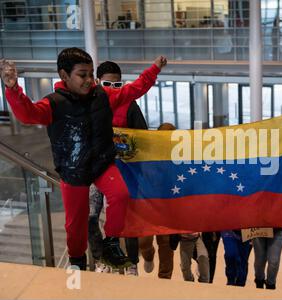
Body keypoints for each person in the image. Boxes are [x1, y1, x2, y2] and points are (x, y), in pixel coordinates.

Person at [0, 48, 167, 270]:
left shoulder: (102, 96)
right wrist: (12, 88)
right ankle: (77, 261)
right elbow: (27, 114)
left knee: (120, 194)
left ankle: (111, 243)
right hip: (73, 171)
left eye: (91, 74)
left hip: (102, 164)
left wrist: (154, 69)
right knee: (75, 225)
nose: (89, 80)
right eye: (82, 74)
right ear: (64, 75)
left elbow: (133, 90)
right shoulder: (54, 103)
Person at [88, 60, 154, 275]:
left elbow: (143, 138)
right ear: (97, 82)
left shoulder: (129, 104)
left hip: (124, 172)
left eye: (117, 86)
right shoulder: (86, 104)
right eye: (107, 84)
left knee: (127, 219)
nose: (112, 90)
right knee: (89, 216)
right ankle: (102, 258)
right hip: (94, 172)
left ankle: (132, 262)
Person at [138, 122, 176, 279]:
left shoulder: (179, 158)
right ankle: (148, 256)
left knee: (166, 245)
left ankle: (164, 279)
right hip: (148, 207)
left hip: (169, 210)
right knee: (144, 243)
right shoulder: (147, 156)